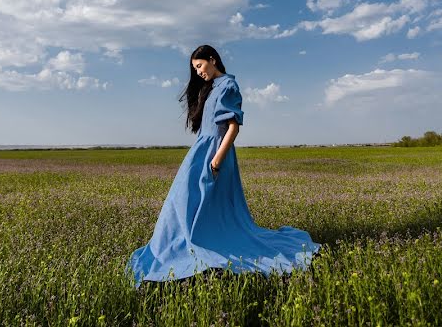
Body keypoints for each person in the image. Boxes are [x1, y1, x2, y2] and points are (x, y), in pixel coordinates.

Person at [126, 44, 321, 287]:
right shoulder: (211, 88)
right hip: (201, 151)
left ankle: (200, 242)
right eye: (194, 69)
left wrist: (216, 160)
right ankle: (175, 245)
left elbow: (233, 127)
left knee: (201, 202)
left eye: (199, 66)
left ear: (212, 59)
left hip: (215, 153)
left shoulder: (228, 85)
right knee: (181, 200)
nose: (198, 72)